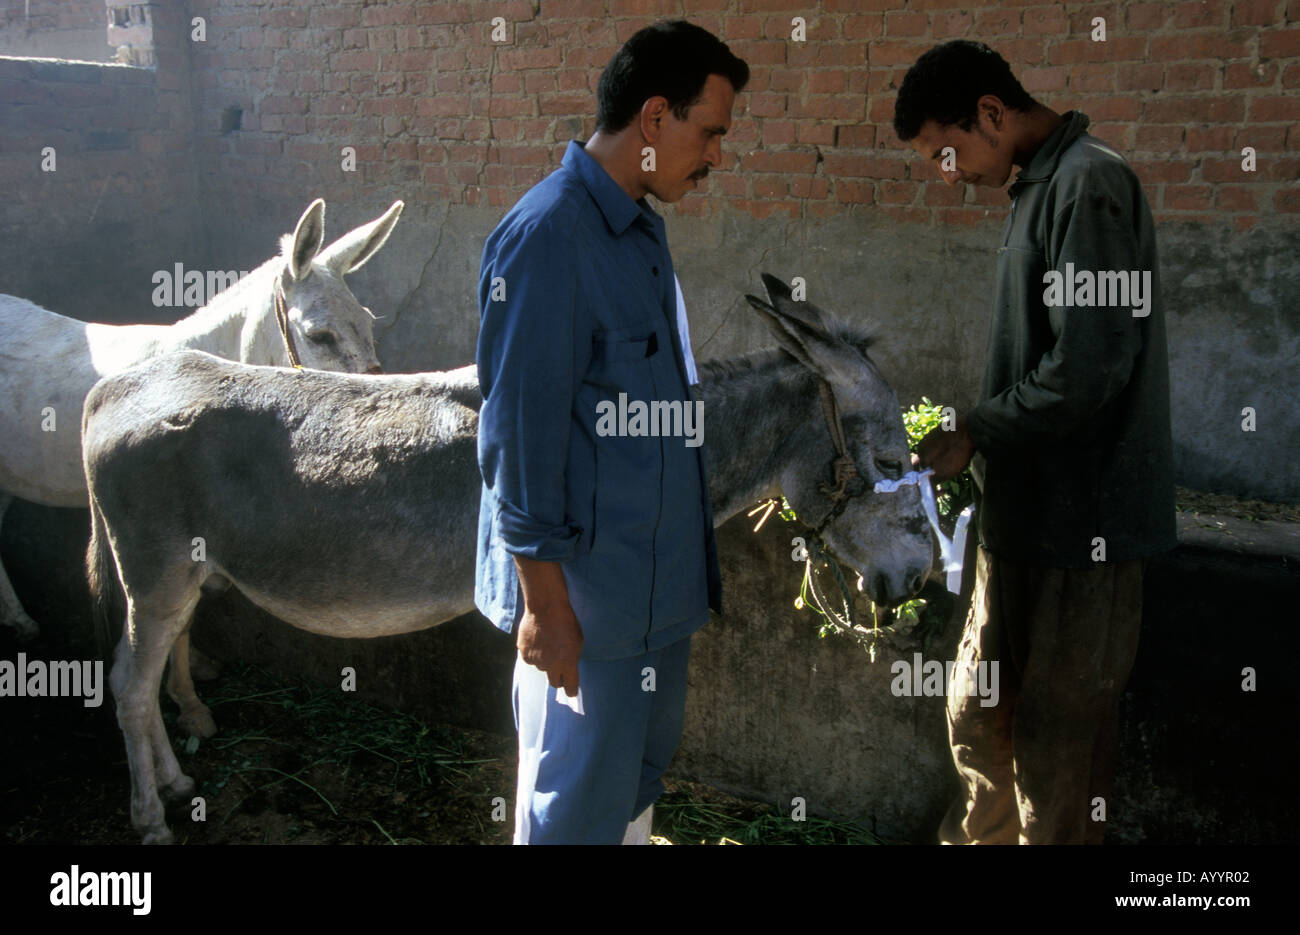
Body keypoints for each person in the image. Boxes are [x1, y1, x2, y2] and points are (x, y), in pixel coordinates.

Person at [894, 40, 1176, 844]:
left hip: (1082, 535)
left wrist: (978, 427)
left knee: (1057, 752)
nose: (947, 173)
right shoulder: (1034, 189)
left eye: (947, 151)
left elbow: (1089, 368)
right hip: (1016, 520)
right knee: (979, 718)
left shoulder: (1089, 183)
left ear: (991, 112)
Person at [474, 21, 748, 845]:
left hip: (653, 602)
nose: (717, 156)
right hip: (584, 620)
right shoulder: (546, 236)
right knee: (570, 815)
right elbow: (519, 439)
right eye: (712, 132)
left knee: (629, 796)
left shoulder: (638, 228)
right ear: (656, 119)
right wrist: (546, 609)